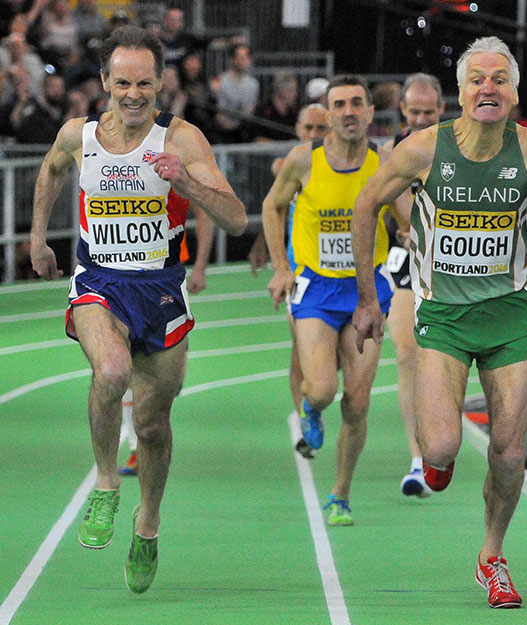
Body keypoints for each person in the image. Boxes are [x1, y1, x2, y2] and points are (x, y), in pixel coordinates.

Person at [350, 36, 527, 608]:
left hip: (509, 317)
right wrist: (367, 299)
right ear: (460, 92)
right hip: (445, 318)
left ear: (513, 91)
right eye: (477, 79)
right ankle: (437, 462)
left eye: (499, 79)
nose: (488, 88)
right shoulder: (420, 150)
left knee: (508, 450)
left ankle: (492, 555)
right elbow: (365, 207)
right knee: (440, 446)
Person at [28, 26, 247, 593]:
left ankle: (147, 523)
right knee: (113, 370)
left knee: (152, 424)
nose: (132, 93)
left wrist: (188, 186)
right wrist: (36, 238)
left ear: (160, 83)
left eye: (143, 83)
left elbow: (236, 219)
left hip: (161, 290)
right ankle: (106, 482)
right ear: (103, 81)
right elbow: (52, 170)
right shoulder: (79, 135)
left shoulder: (182, 140)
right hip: (99, 280)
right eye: (121, 82)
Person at [262, 75, 398, 526]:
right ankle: (309, 406)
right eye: (340, 104)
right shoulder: (303, 161)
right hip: (317, 289)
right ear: (328, 112)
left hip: (368, 289)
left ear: (370, 112)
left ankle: (340, 494)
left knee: (357, 403)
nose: (349, 112)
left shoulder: (385, 162)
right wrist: (282, 267)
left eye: (357, 103)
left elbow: (407, 219)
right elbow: (271, 206)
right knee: (321, 388)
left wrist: (422, 245)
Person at [247, 103, 331, 458]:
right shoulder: (291, 166)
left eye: (321, 128)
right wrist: (264, 248)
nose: (314, 135)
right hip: (303, 272)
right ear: (297, 130)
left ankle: (314, 401)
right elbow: (275, 209)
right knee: (302, 351)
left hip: (344, 275)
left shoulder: (349, 166)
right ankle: (303, 420)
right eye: (308, 128)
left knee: (331, 360)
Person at [381, 72, 445, 498]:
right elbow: (394, 204)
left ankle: (441, 440)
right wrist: (409, 225)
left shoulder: (460, 144)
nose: (421, 118)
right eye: (414, 111)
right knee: (406, 352)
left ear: (442, 110)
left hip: (454, 261)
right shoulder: (392, 150)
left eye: (429, 112)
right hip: (408, 259)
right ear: (403, 110)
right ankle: (418, 458)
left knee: (441, 357)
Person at [215, 43, 259, 143]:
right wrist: (229, 127)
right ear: (232, 59)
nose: (243, 61)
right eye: (240, 57)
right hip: (224, 133)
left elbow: (250, 110)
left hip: (244, 132)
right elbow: (219, 113)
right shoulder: (220, 81)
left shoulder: (253, 84)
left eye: (246, 57)